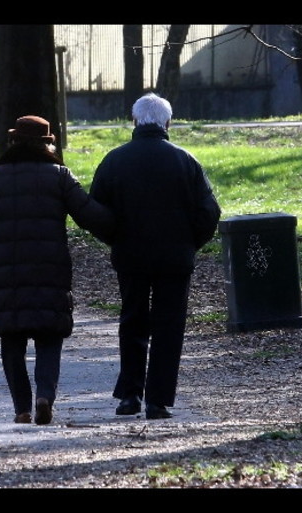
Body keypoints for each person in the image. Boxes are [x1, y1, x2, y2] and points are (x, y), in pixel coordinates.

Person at [0, 115, 115, 425]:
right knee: (49, 336)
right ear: (48, 144)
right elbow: (90, 216)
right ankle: (44, 396)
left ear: (12, 143)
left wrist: (2, 241)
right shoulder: (59, 176)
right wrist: (123, 224)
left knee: (12, 340)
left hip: (7, 272)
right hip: (50, 269)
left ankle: (21, 408)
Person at [89, 93, 221, 420]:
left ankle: (129, 395)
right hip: (175, 258)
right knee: (169, 326)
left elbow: (95, 211)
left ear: (134, 122)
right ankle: (157, 400)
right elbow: (210, 211)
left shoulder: (114, 160)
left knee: (132, 320)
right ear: (168, 123)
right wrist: (191, 243)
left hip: (130, 255)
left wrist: (114, 239)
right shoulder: (185, 161)